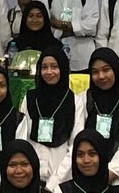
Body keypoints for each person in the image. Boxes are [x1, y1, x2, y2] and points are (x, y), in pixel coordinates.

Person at [20, 50, 79, 184]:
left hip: (62, 179)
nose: (49, 72)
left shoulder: (74, 101)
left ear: (63, 69)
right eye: (44, 67)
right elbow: (22, 139)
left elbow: (76, 144)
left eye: (54, 67)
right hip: (30, 176)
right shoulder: (29, 99)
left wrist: (55, 181)